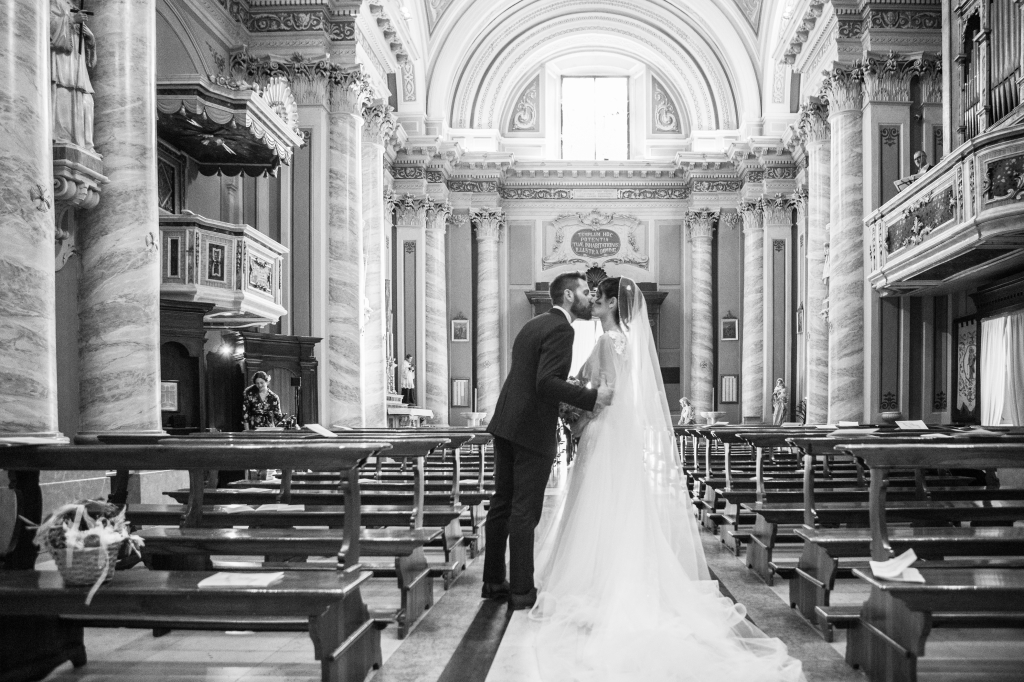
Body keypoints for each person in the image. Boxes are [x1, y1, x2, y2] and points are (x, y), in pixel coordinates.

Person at [528, 277, 804, 682]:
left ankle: (593, 578)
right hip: (621, 432)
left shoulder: (605, 342)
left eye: (598, 298)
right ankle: (617, 570)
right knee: (619, 502)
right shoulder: (626, 341)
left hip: (603, 430)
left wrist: (578, 417)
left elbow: (602, 394)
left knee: (595, 500)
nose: (594, 302)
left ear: (612, 304)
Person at [482, 271, 614, 611]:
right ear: (568, 296)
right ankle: (521, 590)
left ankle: (493, 580)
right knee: (524, 509)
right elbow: (546, 382)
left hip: (506, 423)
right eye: (584, 291)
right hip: (530, 430)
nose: (589, 297)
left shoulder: (533, 325)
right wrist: (592, 397)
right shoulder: (561, 329)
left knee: (502, 503)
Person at [50, 0, 96, 150]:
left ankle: (85, 145)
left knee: (87, 101)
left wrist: (90, 40)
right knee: (64, 95)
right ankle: (63, 137)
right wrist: (71, 20)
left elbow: (90, 62)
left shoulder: (73, 7)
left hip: (78, 66)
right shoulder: (55, 2)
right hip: (63, 61)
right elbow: (47, 26)